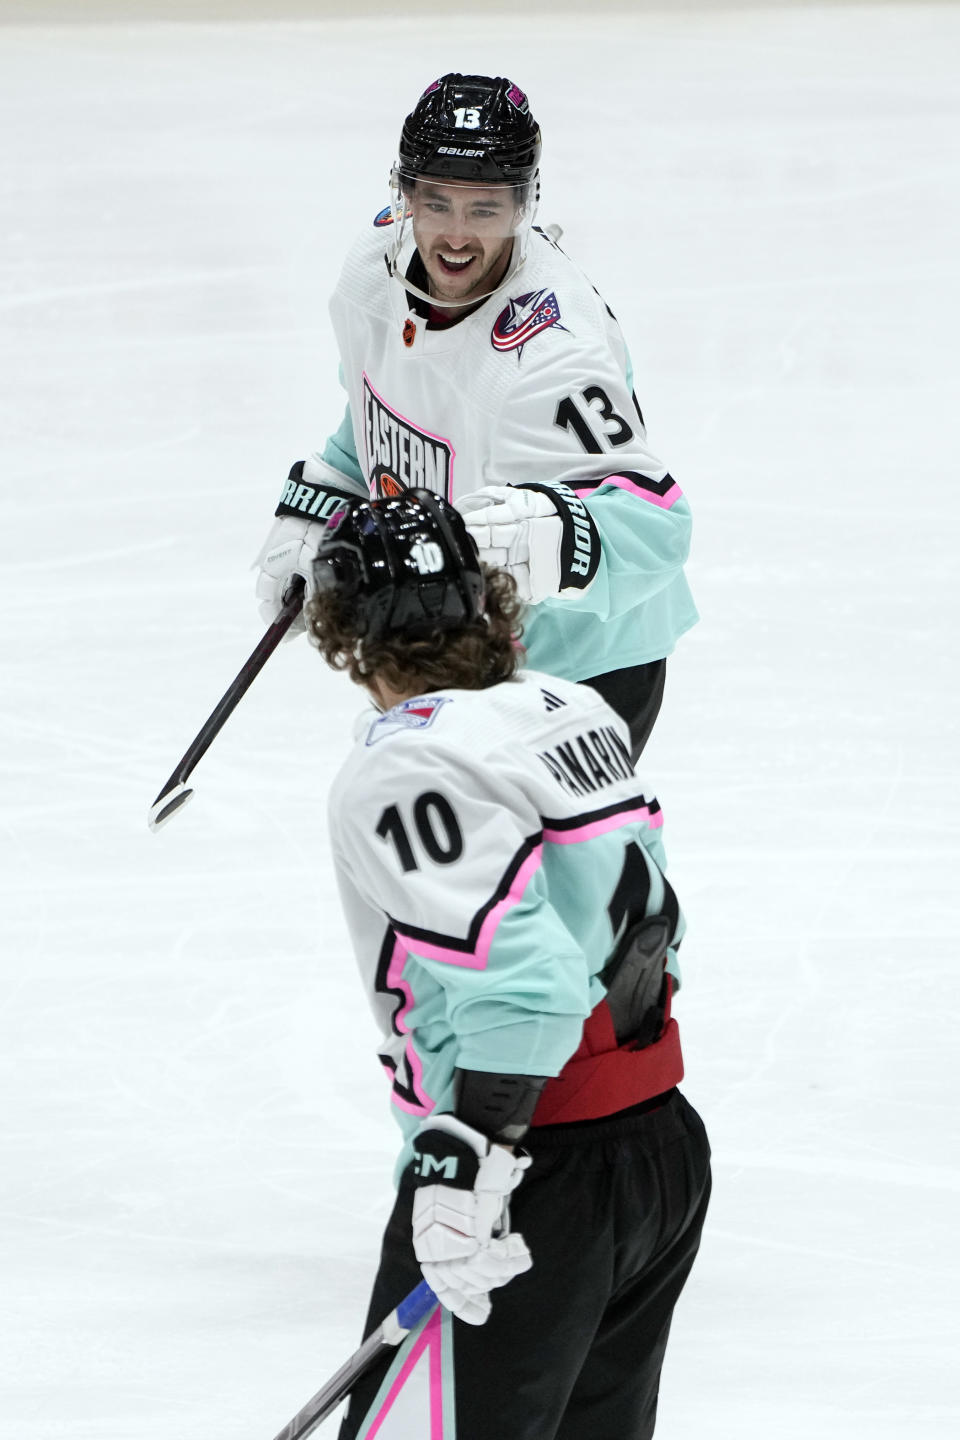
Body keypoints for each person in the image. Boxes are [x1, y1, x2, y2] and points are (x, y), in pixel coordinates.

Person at [305, 489, 711, 1440]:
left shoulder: (411, 762)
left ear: (344, 628)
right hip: (658, 1154)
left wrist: (462, 1171)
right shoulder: (566, 709)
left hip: (530, 1169)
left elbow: (525, 989)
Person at [256, 72, 697, 761]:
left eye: (485, 209)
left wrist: (526, 538)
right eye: (437, 203)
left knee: (534, 866)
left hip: (583, 672)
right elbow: (379, 412)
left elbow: (656, 525)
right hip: (457, 652)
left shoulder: (553, 352)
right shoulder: (373, 273)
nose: (456, 235)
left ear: (524, 205)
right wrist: (323, 502)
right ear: (404, 196)